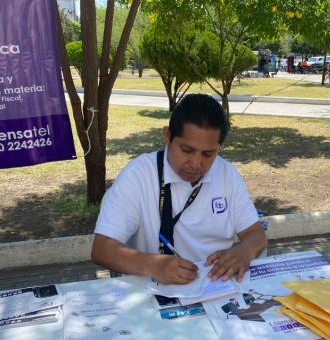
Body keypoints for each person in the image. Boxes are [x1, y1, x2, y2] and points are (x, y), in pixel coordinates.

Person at [91, 94, 267, 285]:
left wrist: (244, 251)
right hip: (153, 292)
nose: (196, 164)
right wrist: (153, 265)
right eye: (187, 150)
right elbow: (102, 249)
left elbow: (255, 234)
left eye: (208, 154)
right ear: (167, 135)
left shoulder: (226, 174)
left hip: (215, 286)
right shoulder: (138, 175)